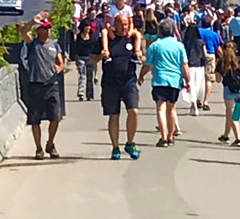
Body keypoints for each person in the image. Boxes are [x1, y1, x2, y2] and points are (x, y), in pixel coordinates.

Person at [95, 14, 142, 160]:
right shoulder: (108, 38)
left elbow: (143, 56)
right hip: (110, 83)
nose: (123, 27)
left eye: (126, 24)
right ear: (115, 24)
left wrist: (140, 56)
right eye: (121, 23)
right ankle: (115, 147)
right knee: (114, 115)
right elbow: (92, 57)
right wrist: (101, 55)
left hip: (129, 81)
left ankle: (130, 142)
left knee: (133, 111)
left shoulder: (132, 38)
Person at [21, 13, 66, 159]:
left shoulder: (54, 45)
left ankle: (50, 143)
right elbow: (23, 32)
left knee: (55, 117)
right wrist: (32, 21)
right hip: (36, 85)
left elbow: (61, 62)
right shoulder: (33, 43)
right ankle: (38, 148)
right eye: (44, 28)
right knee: (35, 119)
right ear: (38, 30)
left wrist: (58, 69)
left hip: (51, 84)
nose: (47, 31)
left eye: (48, 28)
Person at [138, 18, 189, 146]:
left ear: (159, 31)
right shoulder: (179, 45)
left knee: (160, 109)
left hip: (159, 79)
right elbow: (184, 64)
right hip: (174, 80)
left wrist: (141, 75)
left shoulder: (155, 45)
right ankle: (171, 136)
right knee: (171, 109)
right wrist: (188, 80)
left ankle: (163, 136)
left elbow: (148, 63)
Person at [216, 40, 240, 145]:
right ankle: (226, 135)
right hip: (239, 90)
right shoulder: (239, 62)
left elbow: (218, 79)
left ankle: (238, 139)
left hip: (228, 89)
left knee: (231, 114)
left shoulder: (221, 63)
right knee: (232, 114)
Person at [182, 19, 207, 114]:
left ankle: (193, 105)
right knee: (198, 85)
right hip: (199, 65)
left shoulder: (185, 42)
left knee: (190, 85)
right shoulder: (201, 42)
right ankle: (196, 102)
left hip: (189, 65)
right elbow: (205, 54)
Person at [199, 16, 222, 106]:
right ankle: (205, 100)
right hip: (210, 55)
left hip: (197, 55)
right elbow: (218, 48)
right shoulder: (213, 34)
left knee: (199, 78)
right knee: (209, 78)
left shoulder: (197, 32)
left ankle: (198, 99)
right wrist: (222, 57)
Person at [72, 21, 97, 101]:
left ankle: (89, 95)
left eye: (89, 26)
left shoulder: (92, 37)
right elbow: (75, 48)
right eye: (86, 26)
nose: (88, 28)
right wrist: (75, 58)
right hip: (80, 57)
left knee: (90, 76)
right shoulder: (79, 37)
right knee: (82, 74)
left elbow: (95, 48)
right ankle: (81, 93)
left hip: (90, 58)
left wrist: (95, 57)